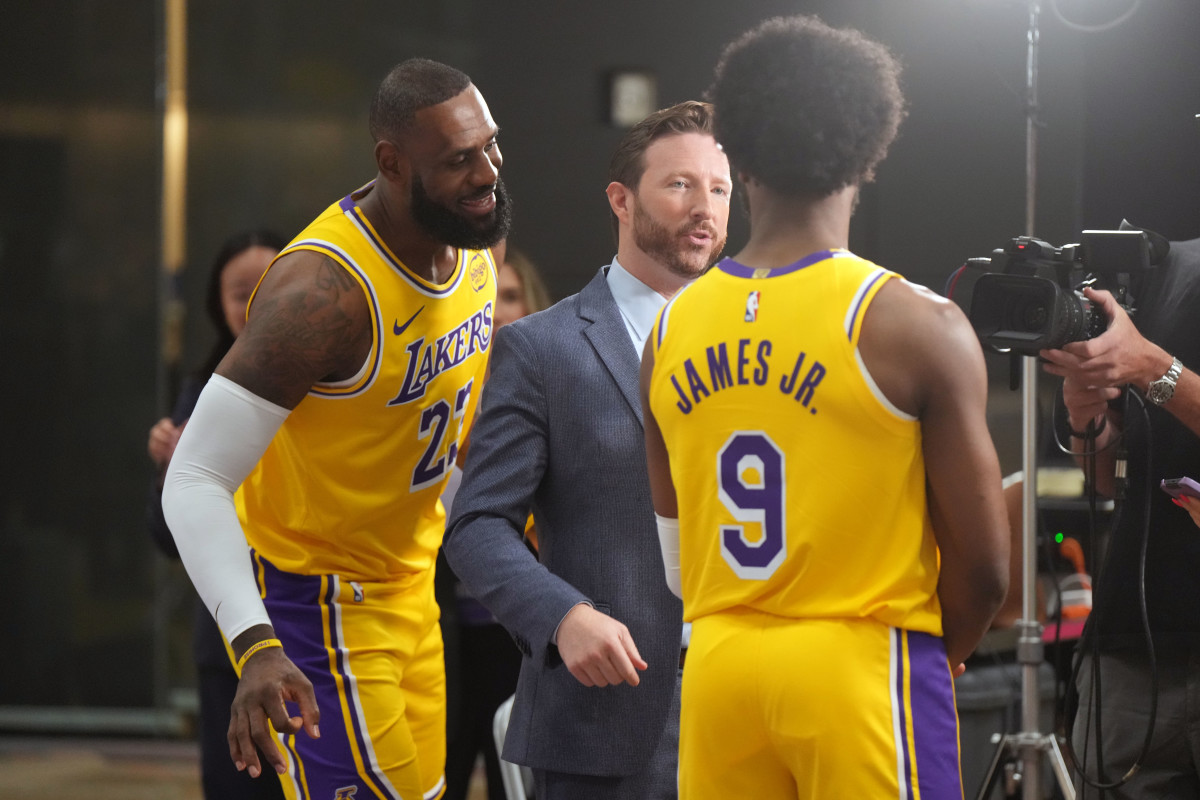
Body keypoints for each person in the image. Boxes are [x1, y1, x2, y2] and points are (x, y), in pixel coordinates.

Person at [640, 17, 1009, 799]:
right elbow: (985, 574)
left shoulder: (667, 327)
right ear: (869, 148)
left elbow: (675, 562)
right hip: (862, 668)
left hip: (718, 666)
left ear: (733, 151)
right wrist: (931, 662)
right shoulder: (915, 325)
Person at [162, 58, 508, 800]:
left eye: (490, 145)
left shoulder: (475, 232)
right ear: (392, 162)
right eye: (459, 160)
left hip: (413, 589)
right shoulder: (323, 296)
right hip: (320, 605)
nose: (488, 173)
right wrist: (253, 646)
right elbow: (192, 480)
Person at [442, 100, 731, 800]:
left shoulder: (762, 339)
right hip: (605, 713)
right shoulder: (542, 348)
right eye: (680, 185)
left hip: (748, 702)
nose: (706, 208)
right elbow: (477, 526)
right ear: (621, 201)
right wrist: (561, 616)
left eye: (719, 188)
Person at [1040, 234, 1200, 798]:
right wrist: (1090, 421)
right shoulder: (1173, 267)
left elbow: (1157, 373)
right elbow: (1112, 477)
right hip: (1134, 646)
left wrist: (1155, 368)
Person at [147, 229, 286, 800]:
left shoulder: (328, 388)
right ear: (216, 303)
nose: (253, 305)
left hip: (313, 625)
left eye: (269, 288)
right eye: (238, 292)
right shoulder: (201, 393)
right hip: (226, 640)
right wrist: (170, 473)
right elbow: (165, 538)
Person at [439, 246, 551, 800]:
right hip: (441, 625)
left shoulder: (557, 388)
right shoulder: (443, 392)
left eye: (512, 296)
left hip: (524, 625)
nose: (502, 311)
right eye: (492, 298)